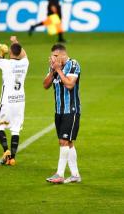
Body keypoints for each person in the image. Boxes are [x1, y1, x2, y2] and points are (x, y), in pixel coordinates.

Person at [0, 36, 29, 166]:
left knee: (0, 126)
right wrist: (15, 42)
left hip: (7, 101)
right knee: (15, 129)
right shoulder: (25, 63)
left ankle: (6, 151)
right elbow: (23, 53)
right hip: (20, 101)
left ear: (10, 52)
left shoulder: (6, 64)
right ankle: (12, 159)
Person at [43, 44, 81, 184]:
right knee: (68, 143)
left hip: (71, 110)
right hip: (59, 110)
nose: (52, 58)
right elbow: (45, 85)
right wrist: (53, 71)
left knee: (64, 141)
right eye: (51, 56)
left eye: (55, 56)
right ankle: (75, 175)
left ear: (62, 55)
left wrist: (58, 70)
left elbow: (70, 84)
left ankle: (59, 174)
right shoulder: (54, 68)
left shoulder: (73, 64)